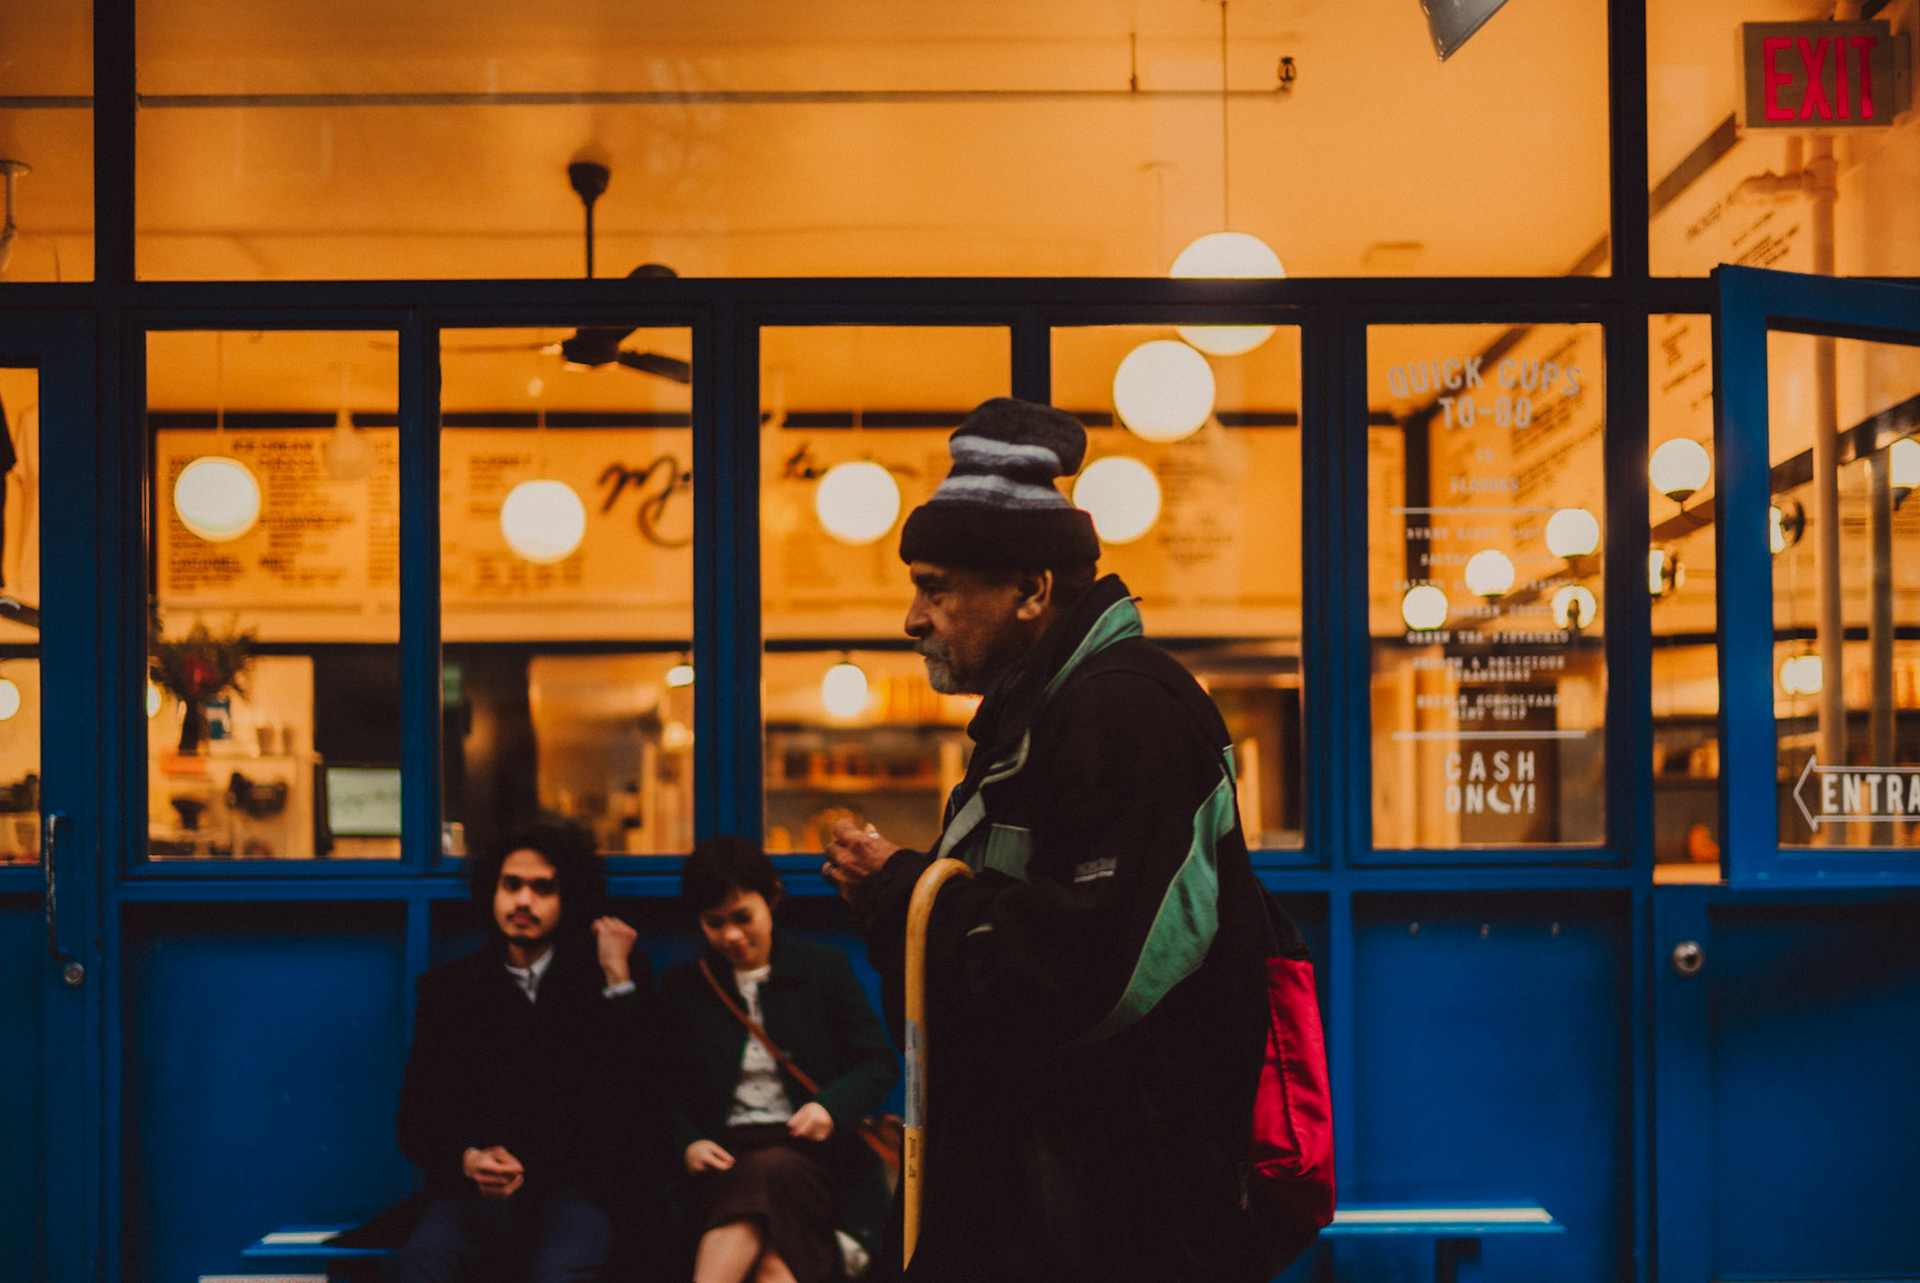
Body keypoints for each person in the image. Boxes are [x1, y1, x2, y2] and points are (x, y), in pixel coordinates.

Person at [822, 397, 1275, 1283]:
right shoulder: (1047, 711)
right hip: (1040, 1193)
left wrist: (902, 889)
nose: (913, 617)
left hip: (1109, 1210)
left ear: (1033, 590)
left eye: (937, 587)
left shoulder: (1123, 710)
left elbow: (1086, 969)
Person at [395, 821, 659, 1283]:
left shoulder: (604, 973)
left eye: (543, 889)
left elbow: (639, 1090)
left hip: (577, 1189)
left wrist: (617, 976)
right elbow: (417, 1118)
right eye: (511, 885)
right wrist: (469, 1159)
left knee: (562, 1272)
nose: (522, 901)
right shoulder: (451, 990)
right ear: (491, 891)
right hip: (475, 1192)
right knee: (423, 1262)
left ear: (568, 898)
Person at [658, 835, 898, 1283]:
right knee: (772, 1260)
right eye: (714, 923)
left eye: (743, 917)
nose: (731, 935)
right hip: (723, 1161)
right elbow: (657, 1087)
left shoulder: (822, 967)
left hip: (811, 1154)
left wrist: (830, 1107)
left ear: (773, 897)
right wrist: (688, 1143)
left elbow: (878, 1061)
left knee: (773, 1168)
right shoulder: (682, 986)